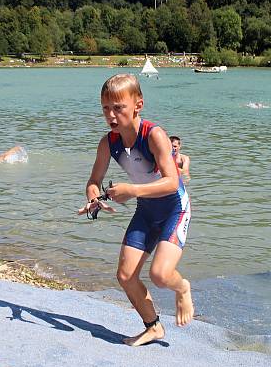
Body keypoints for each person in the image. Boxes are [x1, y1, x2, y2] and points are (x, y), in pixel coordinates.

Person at [77, 73, 192, 347]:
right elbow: (94, 181)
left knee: (160, 275)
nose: (111, 115)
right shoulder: (108, 143)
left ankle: (183, 287)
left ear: (138, 105)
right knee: (126, 276)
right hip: (146, 212)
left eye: (119, 107)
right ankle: (153, 326)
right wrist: (94, 198)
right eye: (106, 108)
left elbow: (171, 181)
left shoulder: (154, 135)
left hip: (175, 209)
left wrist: (132, 190)